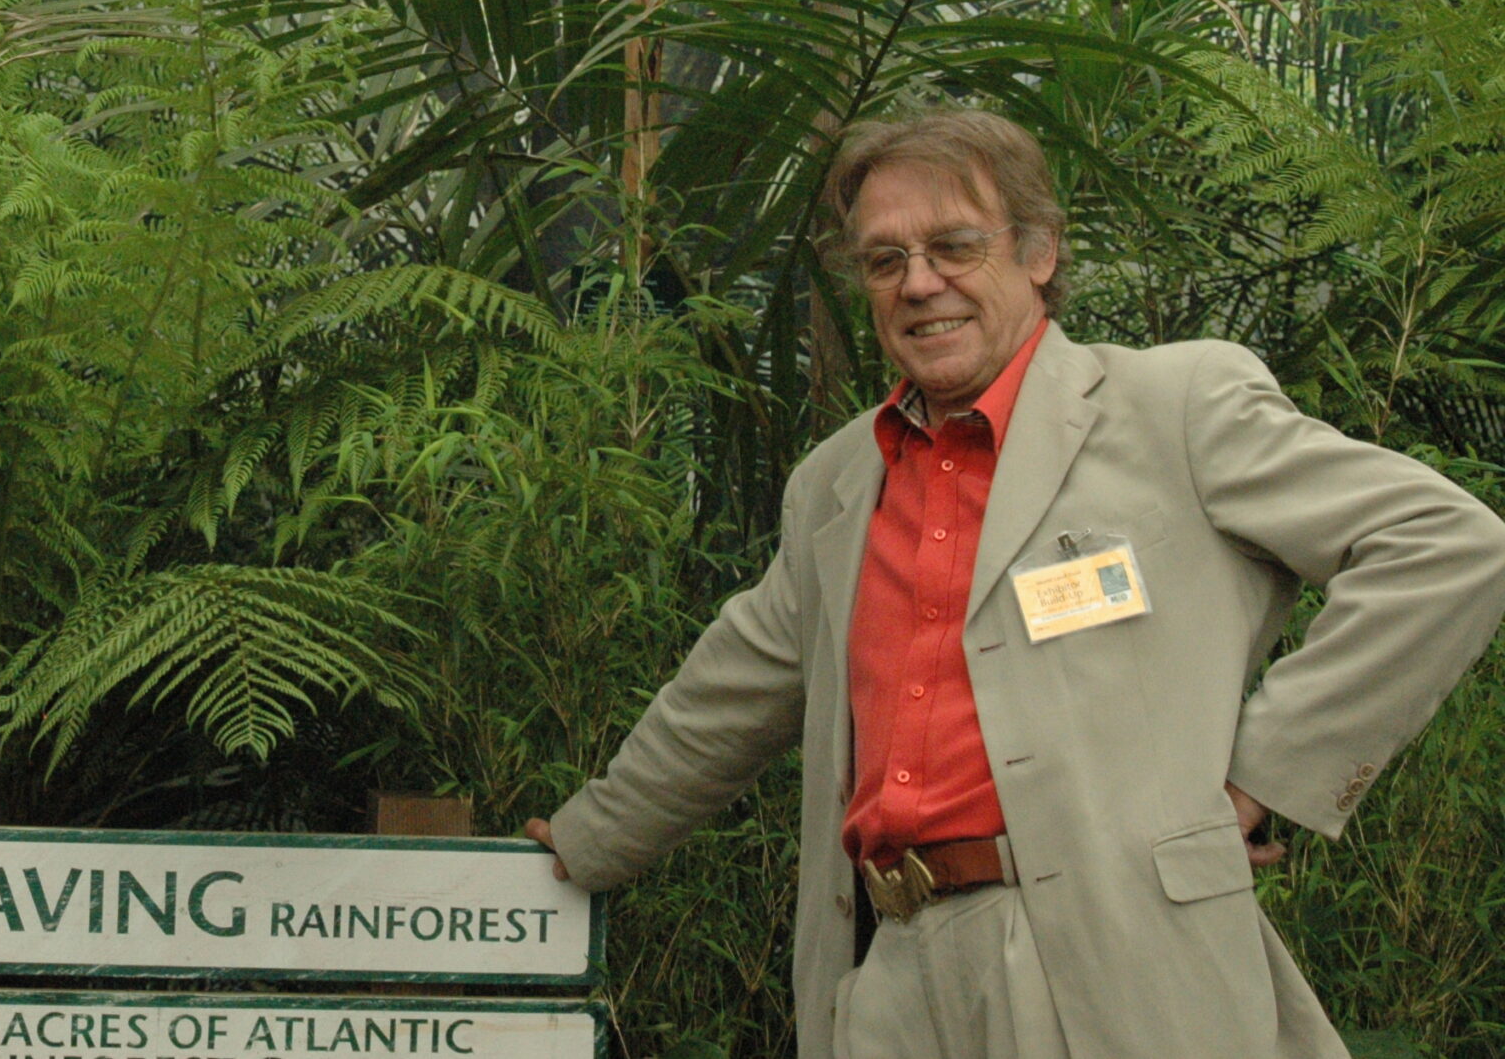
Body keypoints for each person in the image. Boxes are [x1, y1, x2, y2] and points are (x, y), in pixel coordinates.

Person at [525, 110, 1505, 1059]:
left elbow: (1445, 543)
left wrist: (1263, 781)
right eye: (883, 259)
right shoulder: (834, 484)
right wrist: (581, 846)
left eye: (953, 246)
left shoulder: (1174, 408)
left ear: (1037, 251)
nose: (919, 283)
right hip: (890, 971)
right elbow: (726, 696)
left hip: (1114, 960)